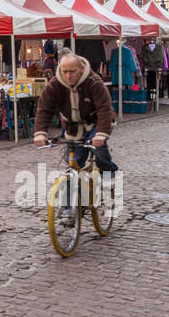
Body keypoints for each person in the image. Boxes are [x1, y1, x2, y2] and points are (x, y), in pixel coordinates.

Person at [33, 55, 118, 220]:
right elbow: (44, 109)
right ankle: (68, 209)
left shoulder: (94, 82)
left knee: (99, 149)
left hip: (96, 123)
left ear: (80, 69)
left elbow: (104, 109)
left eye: (72, 71)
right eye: (65, 72)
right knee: (72, 167)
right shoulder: (55, 85)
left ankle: (109, 173)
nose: (68, 75)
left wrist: (101, 134)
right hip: (73, 127)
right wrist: (40, 133)